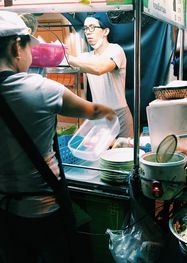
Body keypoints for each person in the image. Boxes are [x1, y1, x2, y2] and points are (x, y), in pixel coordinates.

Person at [0, 11, 117, 262]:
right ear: (15, 48)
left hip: (6, 212)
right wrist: (110, 116)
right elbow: (94, 110)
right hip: (44, 209)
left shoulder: (115, 50)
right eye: (30, 47)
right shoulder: (41, 89)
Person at [68, 14, 134, 138]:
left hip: (119, 114)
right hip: (99, 115)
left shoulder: (115, 50)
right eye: (86, 28)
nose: (88, 32)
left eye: (92, 27)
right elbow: (66, 63)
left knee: (123, 154)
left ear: (105, 31)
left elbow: (99, 69)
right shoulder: (85, 57)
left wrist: (68, 58)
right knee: (101, 155)